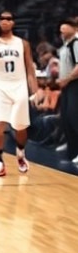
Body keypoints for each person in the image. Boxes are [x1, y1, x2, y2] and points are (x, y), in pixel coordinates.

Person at [0, 11, 38, 176]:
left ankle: (20, 152)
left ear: (13, 23)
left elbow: (30, 69)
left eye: (8, 19)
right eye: (2, 19)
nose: (5, 21)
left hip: (19, 85)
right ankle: (0, 162)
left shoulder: (23, 44)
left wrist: (34, 91)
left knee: (20, 126)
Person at [56, 18, 78, 163]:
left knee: (74, 117)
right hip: (66, 85)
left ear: (74, 28)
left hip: (75, 84)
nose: (62, 31)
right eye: (60, 29)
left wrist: (66, 79)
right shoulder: (65, 45)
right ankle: (72, 151)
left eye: (65, 28)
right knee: (66, 119)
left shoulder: (76, 43)